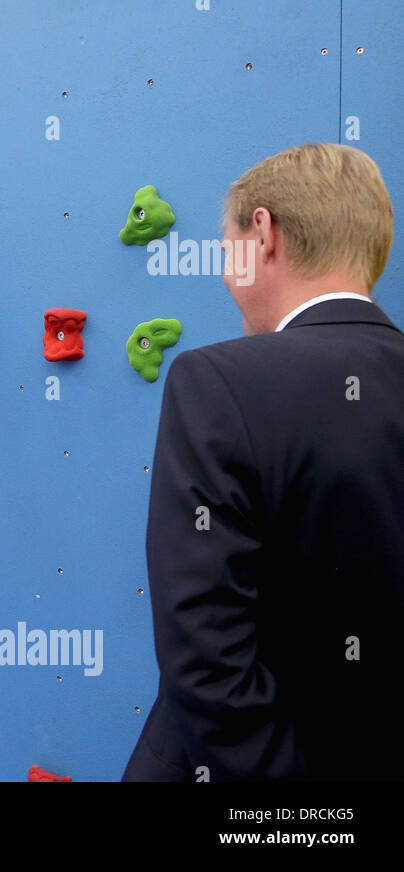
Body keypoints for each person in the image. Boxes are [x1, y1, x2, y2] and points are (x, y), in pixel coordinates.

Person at [123, 143, 401, 781]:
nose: (225, 273)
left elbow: (205, 657)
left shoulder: (218, 382)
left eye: (225, 249)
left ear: (264, 234)